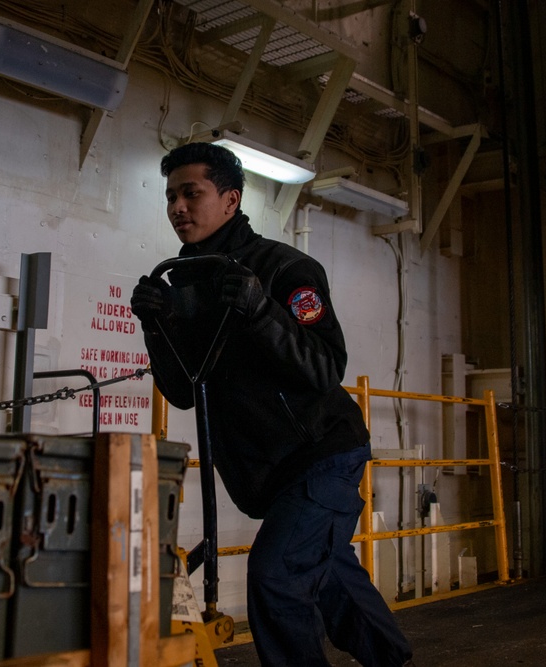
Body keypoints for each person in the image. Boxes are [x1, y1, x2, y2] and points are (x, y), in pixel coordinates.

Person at [130, 142, 413, 666]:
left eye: (192, 193)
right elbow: (183, 392)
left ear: (231, 200)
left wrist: (262, 311)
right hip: (266, 468)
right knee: (326, 570)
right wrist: (157, 325)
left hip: (321, 452)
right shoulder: (186, 286)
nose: (177, 207)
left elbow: (324, 369)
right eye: (171, 196)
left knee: (276, 574)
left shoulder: (285, 269)